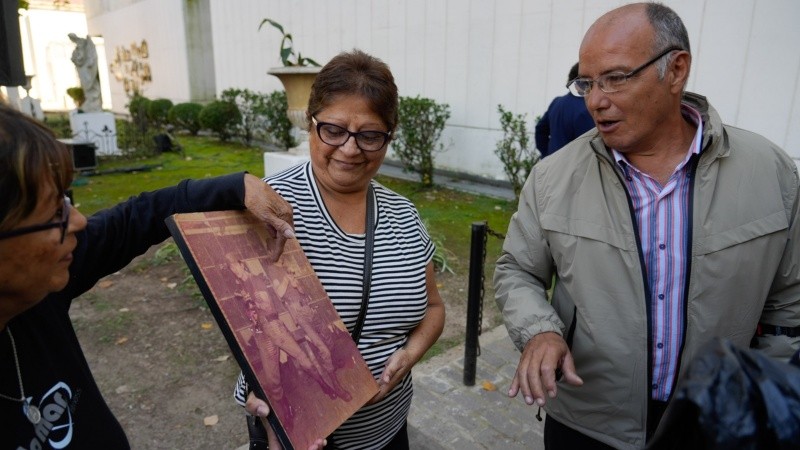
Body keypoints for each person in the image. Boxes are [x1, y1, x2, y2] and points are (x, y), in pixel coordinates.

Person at [493, 3, 800, 450]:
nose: (596, 100)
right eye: (586, 82)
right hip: (587, 421)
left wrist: (758, 387)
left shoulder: (771, 172)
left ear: (676, 70)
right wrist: (540, 328)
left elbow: (790, 302)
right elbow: (516, 270)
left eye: (615, 78)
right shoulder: (551, 178)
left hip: (715, 423)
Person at [0, 104, 315, 449]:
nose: (78, 221)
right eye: (53, 213)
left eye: (66, 201)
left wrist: (237, 186)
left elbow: (138, 216)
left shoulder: (41, 284)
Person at [234, 49, 446, 449]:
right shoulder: (270, 206)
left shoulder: (403, 214)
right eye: (333, 130)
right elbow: (244, 323)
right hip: (300, 436)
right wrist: (268, 413)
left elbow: (433, 308)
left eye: (369, 135)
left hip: (387, 429)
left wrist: (410, 354)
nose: (350, 150)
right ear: (311, 125)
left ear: (388, 136)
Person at [534, 62, 595, 158]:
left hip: (552, 165)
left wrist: (546, 155)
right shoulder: (587, 108)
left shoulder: (557, 102)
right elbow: (592, 145)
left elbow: (540, 130)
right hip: (576, 168)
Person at [68, 33, 101, 112]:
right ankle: (89, 99)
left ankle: (93, 99)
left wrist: (76, 57)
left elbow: (81, 57)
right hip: (82, 69)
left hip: (85, 68)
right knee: (85, 84)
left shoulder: (82, 44)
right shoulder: (77, 47)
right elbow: (76, 58)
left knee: (89, 82)